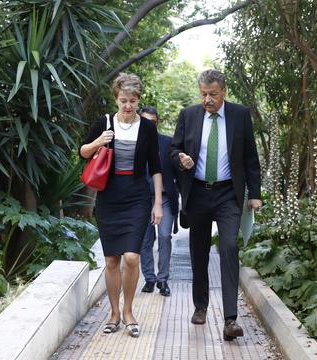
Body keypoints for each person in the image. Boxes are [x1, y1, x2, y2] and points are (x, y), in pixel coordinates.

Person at [170, 69, 262, 341]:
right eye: (203, 94)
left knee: (229, 247)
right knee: (198, 251)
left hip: (227, 195)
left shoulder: (240, 115)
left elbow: (250, 157)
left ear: (223, 91)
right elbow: (173, 149)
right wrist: (181, 159)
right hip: (197, 192)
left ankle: (230, 319)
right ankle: (201, 305)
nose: (207, 99)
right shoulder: (189, 115)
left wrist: (254, 194)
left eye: (212, 94)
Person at [80, 73, 163, 338]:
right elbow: (83, 152)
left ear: (139, 100)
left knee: (131, 256)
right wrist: (99, 141)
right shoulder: (104, 122)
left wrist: (158, 203)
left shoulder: (148, 128)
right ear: (116, 98)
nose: (128, 106)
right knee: (111, 259)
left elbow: (156, 167)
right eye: (123, 100)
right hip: (109, 197)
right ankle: (114, 313)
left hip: (137, 196)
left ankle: (129, 311)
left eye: (133, 101)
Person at [139, 106, 180, 297]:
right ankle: (149, 278)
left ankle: (163, 279)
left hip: (164, 198)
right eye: (145, 121)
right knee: (145, 241)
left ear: (158, 123)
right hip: (141, 199)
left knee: (164, 236)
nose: (149, 126)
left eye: (152, 122)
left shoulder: (168, 143)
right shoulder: (135, 142)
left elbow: (177, 170)